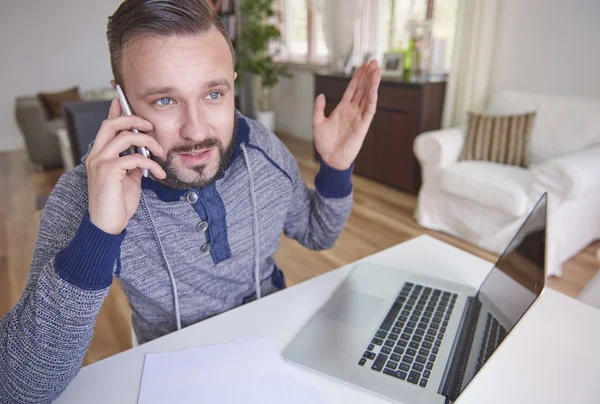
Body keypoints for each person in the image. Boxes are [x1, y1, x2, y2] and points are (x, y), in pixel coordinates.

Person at [0, 0, 382, 402]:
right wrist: (100, 232)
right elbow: (19, 388)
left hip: (280, 350)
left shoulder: (262, 150)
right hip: (176, 378)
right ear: (123, 101)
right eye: (165, 100)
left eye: (214, 94)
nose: (196, 130)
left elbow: (318, 233)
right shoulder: (87, 193)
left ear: (233, 84)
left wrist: (336, 168)